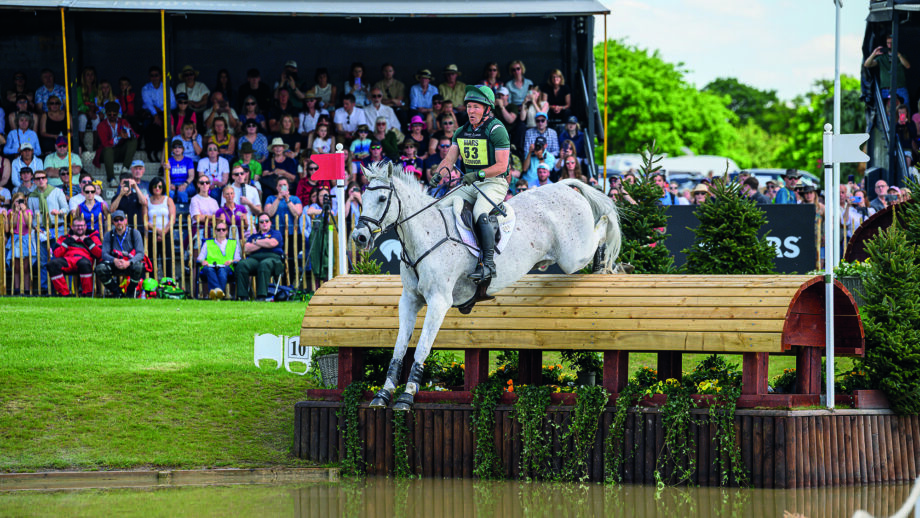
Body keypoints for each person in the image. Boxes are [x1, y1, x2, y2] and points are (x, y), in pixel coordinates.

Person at [435, 85, 511, 284]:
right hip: (471, 183)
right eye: (469, 107)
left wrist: (478, 174)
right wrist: (438, 174)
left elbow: (502, 166)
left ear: (487, 109)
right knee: (439, 206)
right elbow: (449, 160)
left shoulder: (497, 130)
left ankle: (488, 264)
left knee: (479, 212)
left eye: (476, 107)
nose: (471, 111)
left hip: (494, 182)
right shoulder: (461, 131)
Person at [28, 170, 69, 292]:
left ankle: (60, 287)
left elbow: (65, 208)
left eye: (43, 178)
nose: (41, 180)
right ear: (34, 181)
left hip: (57, 228)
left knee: (59, 257)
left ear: (46, 179)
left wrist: (59, 212)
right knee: (42, 260)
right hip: (41, 230)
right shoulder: (32, 196)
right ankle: (44, 288)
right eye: (38, 178)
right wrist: (35, 227)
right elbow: (31, 215)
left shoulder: (56, 192)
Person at [48, 213, 102, 297]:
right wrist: (69, 241)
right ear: (72, 227)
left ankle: (87, 295)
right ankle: (65, 295)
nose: (80, 228)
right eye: (77, 226)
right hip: (67, 261)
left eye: (82, 226)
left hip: (84, 260)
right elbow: (57, 254)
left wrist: (88, 241)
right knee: (52, 264)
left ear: (85, 227)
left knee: (84, 264)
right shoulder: (64, 238)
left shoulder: (92, 238)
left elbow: (99, 254)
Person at [96, 209, 145, 298]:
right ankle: (117, 292)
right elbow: (104, 254)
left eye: (121, 219)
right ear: (113, 222)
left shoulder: (135, 233)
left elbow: (140, 253)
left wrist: (129, 262)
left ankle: (130, 292)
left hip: (129, 264)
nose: (119, 222)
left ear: (125, 220)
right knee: (100, 269)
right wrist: (114, 260)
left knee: (139, 267)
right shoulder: (108, 235)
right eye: (116, 220)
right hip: (114, 264)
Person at [236, 214, 284, 301]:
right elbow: (247, 248)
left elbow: (272, 243)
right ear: (259, 224)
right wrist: (264, 243)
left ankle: (261, 296)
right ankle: (243, 296)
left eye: (266, 221)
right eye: (261, 222)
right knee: (242, 264)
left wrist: (256, 242)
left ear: (270, 223)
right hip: (254, 259)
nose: (264, 223)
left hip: (272, 258)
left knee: (264, 264)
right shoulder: (253, 236)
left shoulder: (276, 233)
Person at [96, 101, 138, 187]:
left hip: (120, 152)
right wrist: (119, 137)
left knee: (133, 141)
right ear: (106, 114)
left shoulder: (123, 122)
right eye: (109, 114)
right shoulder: (101, 125)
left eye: (114, 114)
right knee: (108, 149)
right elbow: (105, 143)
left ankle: (125, 168)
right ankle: (111, 178)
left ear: (118, 114)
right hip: (106, 154)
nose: (112, 116)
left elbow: (135, 135)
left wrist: (129, 134)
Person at [197, 219, 241, 300]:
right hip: (209, 267)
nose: (221, 231)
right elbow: (199, 258)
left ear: (227, 231)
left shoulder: (233, 243)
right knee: (210, 270)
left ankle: (215, 293)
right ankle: (219, 292)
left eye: (223, 229)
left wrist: (231, 261)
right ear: (215, 231)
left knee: (222, 271)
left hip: (226, 267)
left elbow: (238, 259)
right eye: (218, 229)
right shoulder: (208, 243)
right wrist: (202, 261)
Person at [140, 66, 177, 161]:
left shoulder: (167, 88)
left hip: (164, 113)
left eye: (156, 75)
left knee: (167, 126)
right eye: (152, 76)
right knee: (148, 126)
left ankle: (161, 151)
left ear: (160, 76)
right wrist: (156, 115)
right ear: (149, 77)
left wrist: (159, 110)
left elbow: (173, 104)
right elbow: (148, 104)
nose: (154, 78)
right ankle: (148, 149)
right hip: (149, 114)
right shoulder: (145, 88)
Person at [864, 34, 911, 108]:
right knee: (887, 113)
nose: (890, 45)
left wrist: (898, 54)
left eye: (891, 43)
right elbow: (867, 65)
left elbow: (907, 66)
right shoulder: (882, 58)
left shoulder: (901, 56)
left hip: (900, 89)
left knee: (905, 111)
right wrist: (874, 54)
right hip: (886, 90)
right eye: (888, 43)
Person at [6, 193, 35, 295]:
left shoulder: (28, 212)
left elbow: (29, 225)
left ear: (25, 202)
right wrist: (16, 213)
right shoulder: (11, 212)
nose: (19, 203)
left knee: (26, 267)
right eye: (17, 201)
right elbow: (11, 227)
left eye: (21, 201)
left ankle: (27, 290)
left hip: (26, 239)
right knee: (16, 267)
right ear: (13, 202)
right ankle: (17, 289)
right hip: (16, 239)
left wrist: (23, 212)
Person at [146, 177, 176, 247]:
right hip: (152, 234)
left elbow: (172, 219)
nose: (157, 188)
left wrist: (163, 232)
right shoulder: (147, 201)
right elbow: (145, 220)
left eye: (160, 186)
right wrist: (158, 231)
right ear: (151, 187)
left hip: (167, 233)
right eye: (155, 186)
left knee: (168, 257)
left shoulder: (168, 200)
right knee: (152, 257)